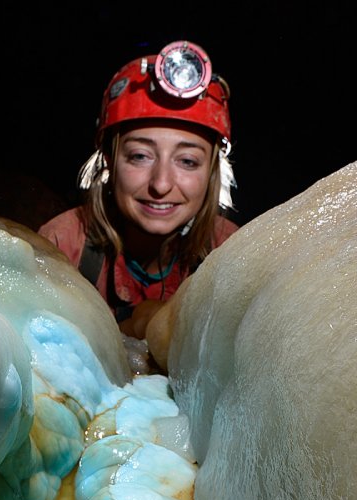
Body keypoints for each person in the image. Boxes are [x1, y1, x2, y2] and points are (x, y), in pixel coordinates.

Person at [38, 40, 239, 339]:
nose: (161, 184)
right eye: (140, 156)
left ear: (211, 171)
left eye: (187, 161)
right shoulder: (62, 246)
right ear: (109, 159)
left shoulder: (231, 253)